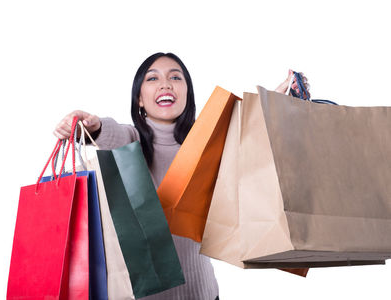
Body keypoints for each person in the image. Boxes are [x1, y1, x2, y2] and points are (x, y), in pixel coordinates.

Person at [54, 52, 307, 300]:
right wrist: (91, 125)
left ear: (187, 93)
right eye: (152, 79)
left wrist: (278, 102)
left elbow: (249, 136)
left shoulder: (206, 145)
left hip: (203, 293)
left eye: (175, 77)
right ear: (139, 99)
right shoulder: (132, 142)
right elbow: (109, 135)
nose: (165, 84)